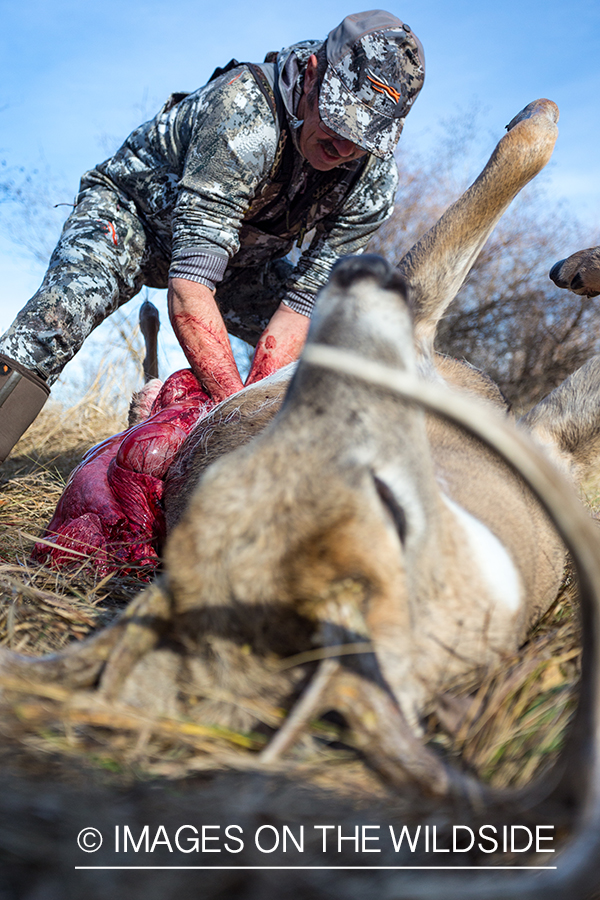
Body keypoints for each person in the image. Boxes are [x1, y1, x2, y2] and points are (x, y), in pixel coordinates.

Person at [0, 9, 425, 461]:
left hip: (238, 263)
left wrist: (254, 418)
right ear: (313, 73)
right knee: (54, 319)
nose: (344, 146)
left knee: (333, 344)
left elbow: (298, 311)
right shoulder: (245, 111)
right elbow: (190, 287)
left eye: (364, 135)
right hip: (133, 217)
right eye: (339, 120)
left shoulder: (372, 185)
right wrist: (233, 421)